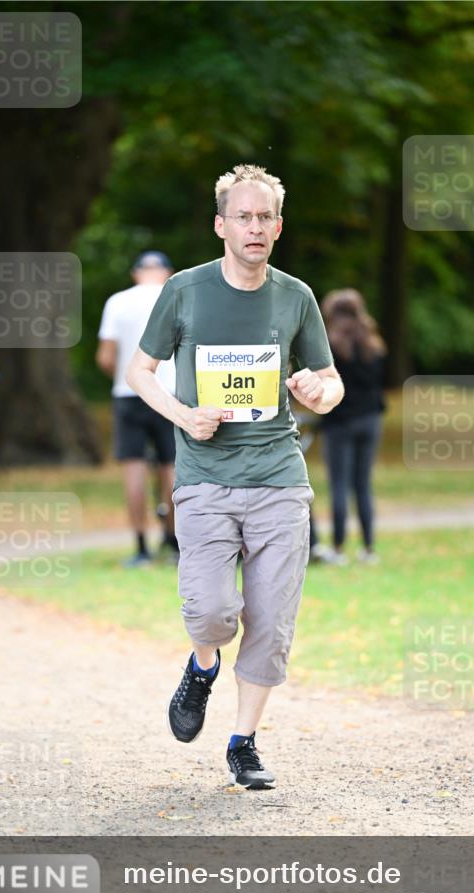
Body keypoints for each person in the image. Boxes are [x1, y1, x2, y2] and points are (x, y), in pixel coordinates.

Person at [127, 164, 344, 789]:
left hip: (279, 477)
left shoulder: (295, 296)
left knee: (271, 622)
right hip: (204, 479)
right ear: (221, 225)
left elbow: (331, 384)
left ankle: (243, 741)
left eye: (265, 217)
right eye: (243, 217)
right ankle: (201, 667)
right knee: (214, 614)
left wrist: (316, 391)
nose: (255, 227)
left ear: (278, 227)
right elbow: (141, 371)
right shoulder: (186, 291)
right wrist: (184, 416)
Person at [96, 252, 179, 566]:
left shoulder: (118, 302)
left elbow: (106, 357)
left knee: (133, 468)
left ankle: (141, 547)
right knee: (172, 466)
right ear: (167, 273)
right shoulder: (176, 297)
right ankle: (173, 542)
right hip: (168, 393)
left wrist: (123, 374)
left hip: (128, 392)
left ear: (135, 273)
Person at [319, 288, 387, 565]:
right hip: (371, 420)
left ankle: (337, 547)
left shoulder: (330, 346)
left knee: (339, 485)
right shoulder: (374, 344)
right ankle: (369, 548)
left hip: (340, 423)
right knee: (363, 485)